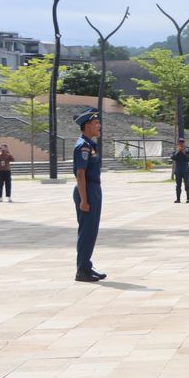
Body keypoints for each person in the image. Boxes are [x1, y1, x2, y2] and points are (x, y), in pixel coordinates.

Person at [72, 109, 106, 283]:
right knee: (86, 231)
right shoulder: (83, 146)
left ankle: (86, 266)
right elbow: (80, 174)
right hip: (86, 189)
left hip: (93, 188)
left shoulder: (90, 144)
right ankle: (82, 270)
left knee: (91, 231)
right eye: (96, 123)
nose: (98, 126)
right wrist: (84, 200)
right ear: (86, 126)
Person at [171, 138, 189, 203]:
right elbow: (173, 157)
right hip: (178, 170)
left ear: (184, 143)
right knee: (178, 185)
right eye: (180, 142)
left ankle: (188, 199)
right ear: (178, 143)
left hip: (185, 170)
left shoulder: (188, 151)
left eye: (182, 142)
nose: (181, 143)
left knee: (187, 184)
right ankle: (178, 199)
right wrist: (178, 151)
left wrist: (184, 152)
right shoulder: (175, 151)